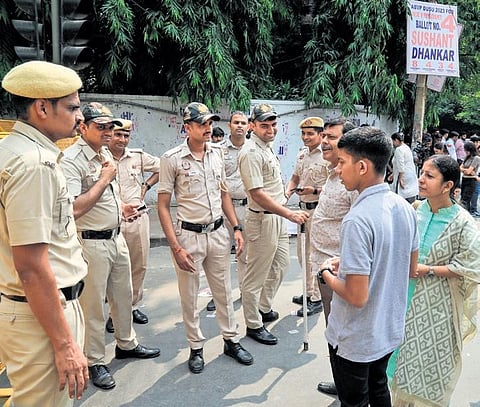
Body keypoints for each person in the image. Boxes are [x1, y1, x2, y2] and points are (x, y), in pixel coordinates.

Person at [0, 61, 89, 406]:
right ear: (41, 108)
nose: (78, 117)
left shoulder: (13, 150)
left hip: (39, 308)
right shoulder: (34, 164)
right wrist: (65, 344)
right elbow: (31, 266)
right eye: (71, 107)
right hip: (41, 316)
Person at [61, 102, 161, 391]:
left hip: (116, 236)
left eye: (109, 127)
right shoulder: (72, 160)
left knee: (123, 295)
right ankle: (94, 361)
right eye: (100, 127)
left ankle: (126, 343)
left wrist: (122, 207)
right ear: (83, 127)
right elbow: (73, 210)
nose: (107, 132)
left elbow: (106, 198)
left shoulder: (103, 153)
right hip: (91, 242)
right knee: (93, 305)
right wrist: (105, 180)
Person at [319, 126, 418, 406]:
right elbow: (408, 266)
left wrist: (326, 272)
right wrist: (349, 263)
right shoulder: (403, 207)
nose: (338, 170)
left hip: (356, 338)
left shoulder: (357, 219)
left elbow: (357, 295)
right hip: (387, 328)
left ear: (362, 166)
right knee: (378, 388)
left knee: (355, 400)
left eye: (341, 162)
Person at [157, 102, 253, 374]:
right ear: (187, 128)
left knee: (223, 290)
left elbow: (223, 193)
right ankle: (196, 346)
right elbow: (163, 205)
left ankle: (230, 340)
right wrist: (175, 246)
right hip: (189, 237)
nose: (208, 128)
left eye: (209, 123)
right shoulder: (172, 158)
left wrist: (235, 227)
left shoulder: (217, 154)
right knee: (190, 295)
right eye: (201, 124)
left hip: (218, 233)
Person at [389, 155, 480, 406]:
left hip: (438, 308)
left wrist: (428, 269)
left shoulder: (463, 222)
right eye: (422, 173)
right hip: (404, 301)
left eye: (430, 176)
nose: (421, 179)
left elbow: (472, 266)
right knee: (401, 360)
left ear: (447, 185)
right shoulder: (416, 210)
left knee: (431, 365)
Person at [238, 103, 309, 345]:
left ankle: (263, 307)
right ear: (252, 126)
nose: (271, 130)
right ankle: (253, 324)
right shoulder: (250, 152)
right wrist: (289, 215)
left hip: (276, 217)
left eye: (273, 125)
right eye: (264, 125)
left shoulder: (266, 149)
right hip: (262, 219)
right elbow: (257, 193)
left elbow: (272, 186)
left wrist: (287, 198)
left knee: (280, 266)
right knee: (255, 276)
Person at [309, 117, 358, 397]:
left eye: (332, 137)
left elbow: (357, 230)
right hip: (323, 267)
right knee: (333, 330)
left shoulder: (352, 181)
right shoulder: (332, 174)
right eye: (323, 136)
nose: (324, 141)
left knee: (344, 333)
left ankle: (350, 391)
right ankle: (342, 384)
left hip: (341, 270)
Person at [105, 119, 160, 332]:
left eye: (126, 136)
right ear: (110, 134)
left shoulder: (137, 156)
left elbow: (164, 168)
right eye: (118, 134)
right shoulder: (101, 157)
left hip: (138, 219)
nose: (122, 140)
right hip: (112, 221)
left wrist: (146, 186)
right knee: (113, 271)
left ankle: (132, 306)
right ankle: (114, 313)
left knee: (139, 266)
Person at [205, 111, 250, 313]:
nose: (240, 126)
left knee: (245, 254)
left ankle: (245, 292)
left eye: (243, 123)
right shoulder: (217, 150)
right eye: (236, 122)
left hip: (249, 208)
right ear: (229, 125)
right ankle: (219, 296)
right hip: (224, 208)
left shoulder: (254, 148)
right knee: (220, 255)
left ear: (249, 126)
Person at [285, 117, 329, 317]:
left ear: (321, 135)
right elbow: (295, 176)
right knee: (303, 253)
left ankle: (317, 298)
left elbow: (335, 186)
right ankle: (308, 292)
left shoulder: (328, 156)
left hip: (318, 211)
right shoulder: (302, 154)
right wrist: (287, 193)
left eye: (310, 133)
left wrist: (315, 189)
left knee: (316, 255)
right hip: (301, 210)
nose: (306, 137)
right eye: (304, 133)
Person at [390, 132, 419, 203]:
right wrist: (393, 174)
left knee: (401, 197)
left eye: (393, 141)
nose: (393, 144)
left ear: (396, 140)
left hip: (403, 175)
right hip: (409, 174)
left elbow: (400, 164)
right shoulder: (406, 147)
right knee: (409, 195)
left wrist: (401, 178)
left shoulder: (399, 149)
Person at [459, 141, 480, 214]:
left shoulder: (476, 158)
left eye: (466, 150)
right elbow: (460, 168)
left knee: (466, 199)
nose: (465, 152)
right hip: (465, 179)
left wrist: (466, 170)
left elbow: (469, 171)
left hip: (471, 180)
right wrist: (467, 170)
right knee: (462, 198)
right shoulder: (467, 157)